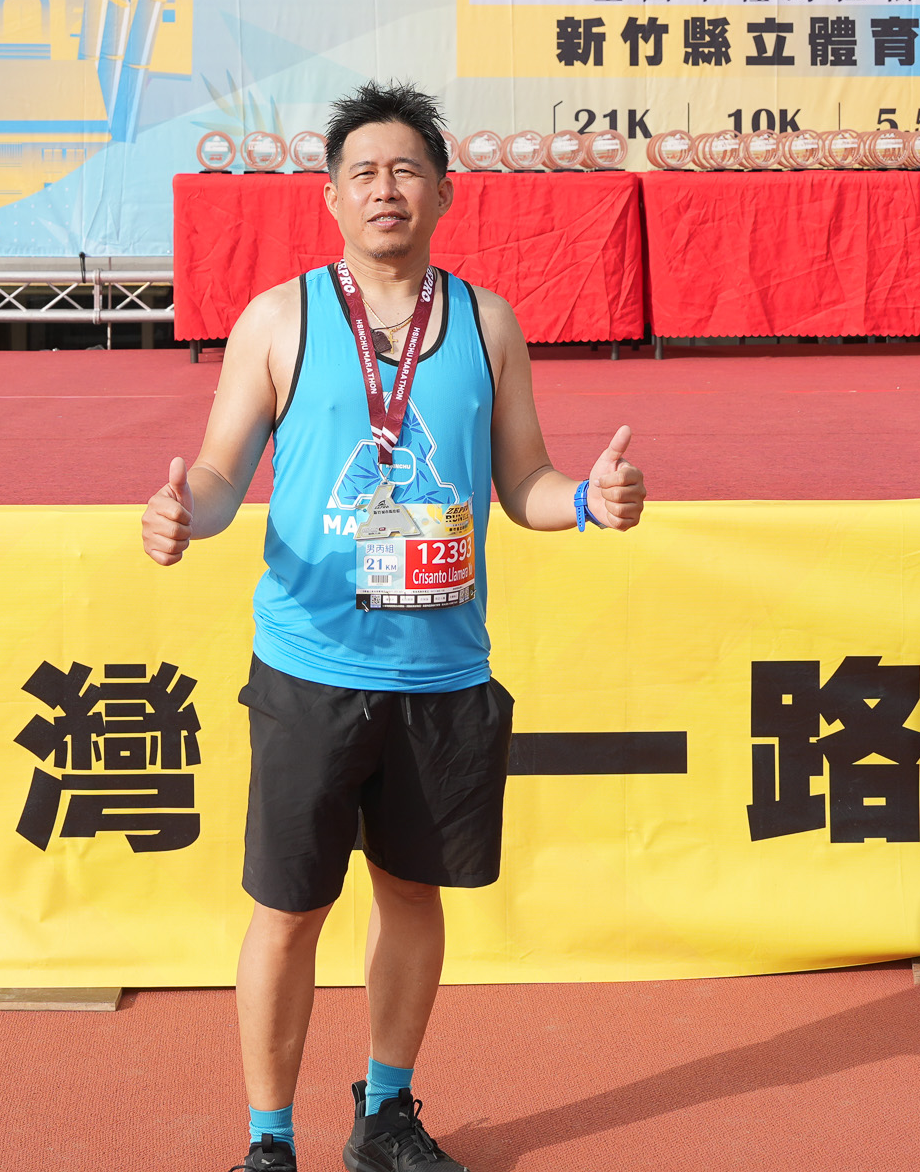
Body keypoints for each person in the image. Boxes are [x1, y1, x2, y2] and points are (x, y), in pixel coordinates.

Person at [142, 80, 648, 1172]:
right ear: (330, 197)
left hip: (441, 671)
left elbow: (524, 481)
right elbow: (223, 471)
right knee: (289, 909)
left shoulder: (486, 323)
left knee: (413, 894)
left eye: (407, 170)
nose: (385, 189)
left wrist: (588, 502)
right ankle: (268, 1142)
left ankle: (385, 1115)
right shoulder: (279, 319)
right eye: (363, 172)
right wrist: (189, 514)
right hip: (311, 667)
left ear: (444, 194)